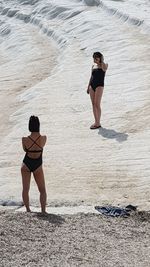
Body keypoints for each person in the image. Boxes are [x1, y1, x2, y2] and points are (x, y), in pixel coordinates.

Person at [21, 115, 47, 213]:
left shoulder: (24, 139)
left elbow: (24, 150)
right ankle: (43, 211)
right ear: (38, 125)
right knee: (42, 190)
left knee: (25, 189)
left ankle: (28, 209)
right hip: (38, 165)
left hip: (26, 164)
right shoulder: (43, 138)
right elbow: (42, 147)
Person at [87, 52, 108, 129]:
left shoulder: (104, 65)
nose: (95, 59)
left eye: (96, 57)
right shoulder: (93, 66)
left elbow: (105, 68)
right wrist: (88, 86)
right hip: (92, 86)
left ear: (100, 57)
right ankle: (96, 122)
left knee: (97, 104)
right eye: (94, 57)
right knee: (93, 104)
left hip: (99, 86)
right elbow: (91, 77)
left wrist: (101, 61)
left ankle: (98, 123)